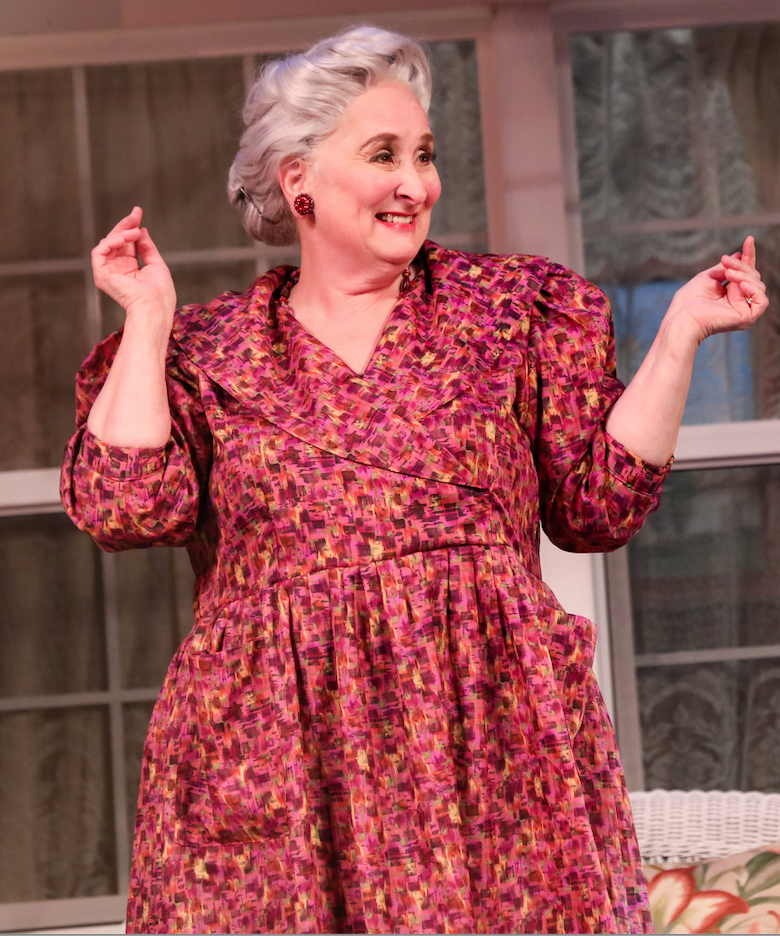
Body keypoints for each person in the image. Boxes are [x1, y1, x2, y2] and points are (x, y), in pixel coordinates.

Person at [60, 26, 768, 935]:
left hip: (490, 747)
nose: (416, 183)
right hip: (276, 762)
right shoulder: (207, 353)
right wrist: (149, 316)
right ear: (299, 180)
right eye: (384, 154)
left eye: (425, 155)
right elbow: (124, 507)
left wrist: (681, 333)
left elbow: (596, 506)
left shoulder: (510, 312)